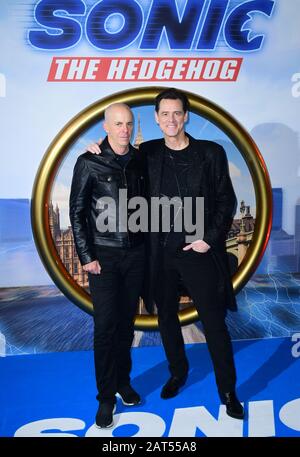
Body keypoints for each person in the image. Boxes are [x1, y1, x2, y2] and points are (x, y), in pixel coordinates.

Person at [87, 89, 244, 420]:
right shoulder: (148, 151)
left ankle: (228, 391)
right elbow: (117, 159)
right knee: (166, 318)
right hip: (158, 254)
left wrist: (208, 239)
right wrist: (96, 151)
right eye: (165, 114)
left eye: (177, 113)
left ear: (186, 116)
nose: (171, 120)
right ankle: (178, 372)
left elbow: (225, 201)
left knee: (215, 323)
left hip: (197, 252)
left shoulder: (211, 153)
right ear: (157, 118)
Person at [69, 103, 145, 429]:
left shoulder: (142, 158)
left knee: (127, 325)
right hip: (104, 258)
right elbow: (76, 211)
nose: (124, 129)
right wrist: (87, 257)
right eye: (118, 123)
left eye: (128, 123)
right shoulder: (88, 161)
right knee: (105, 329)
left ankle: (123, 383)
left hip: (136, 255)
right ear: (106, 125)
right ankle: (105, 397)